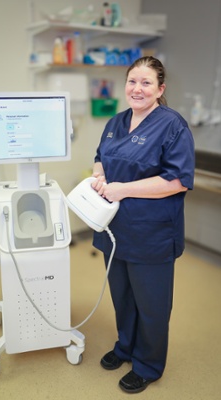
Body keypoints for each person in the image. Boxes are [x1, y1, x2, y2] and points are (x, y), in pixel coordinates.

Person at [91, 56, 195, 394]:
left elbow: (178, 180)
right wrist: (99, 175)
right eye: (132, 81)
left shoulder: (172, 125)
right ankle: (125, 348)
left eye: (146, 82)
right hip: (115, 229)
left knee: (151, 304)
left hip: (151, 233)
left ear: (160, 89)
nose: (138, 88)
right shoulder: (115, 122)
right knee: (122, 297)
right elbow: (100, 156)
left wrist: (124, 189)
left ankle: (148, 365)